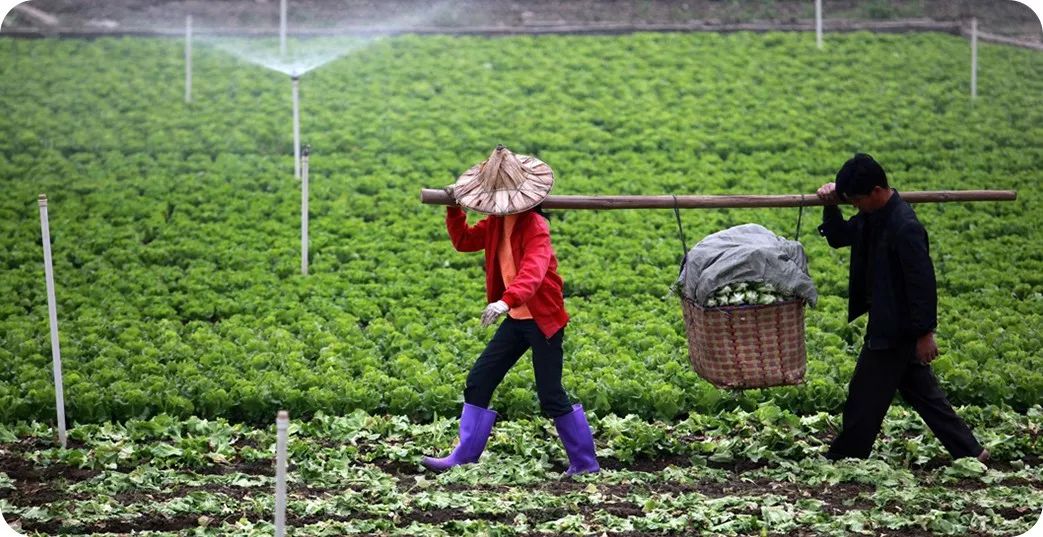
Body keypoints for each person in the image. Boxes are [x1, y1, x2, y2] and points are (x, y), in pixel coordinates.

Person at [421, 145, 600, 476]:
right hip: (516, 319)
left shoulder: (535, 226)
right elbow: (463, 241)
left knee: (550, 395)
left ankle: (586, 464)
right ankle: (463, 456)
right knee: (479, 381)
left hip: (542, 320)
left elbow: (533, 270)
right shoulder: (493, 224)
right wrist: (453, 209)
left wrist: (506, 300)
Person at [816, 153, 988, 463]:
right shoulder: (872, 216)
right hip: (888, 318)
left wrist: (925, 334)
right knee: (922, 392)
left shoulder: (904, 226)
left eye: (855, 199)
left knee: (864, 394)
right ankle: (971, 451)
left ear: (876, 191)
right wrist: (830, 205)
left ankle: (845, 456)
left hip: (897, 325)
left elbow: (922, 284)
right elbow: (840, 237)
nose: (853, 205)